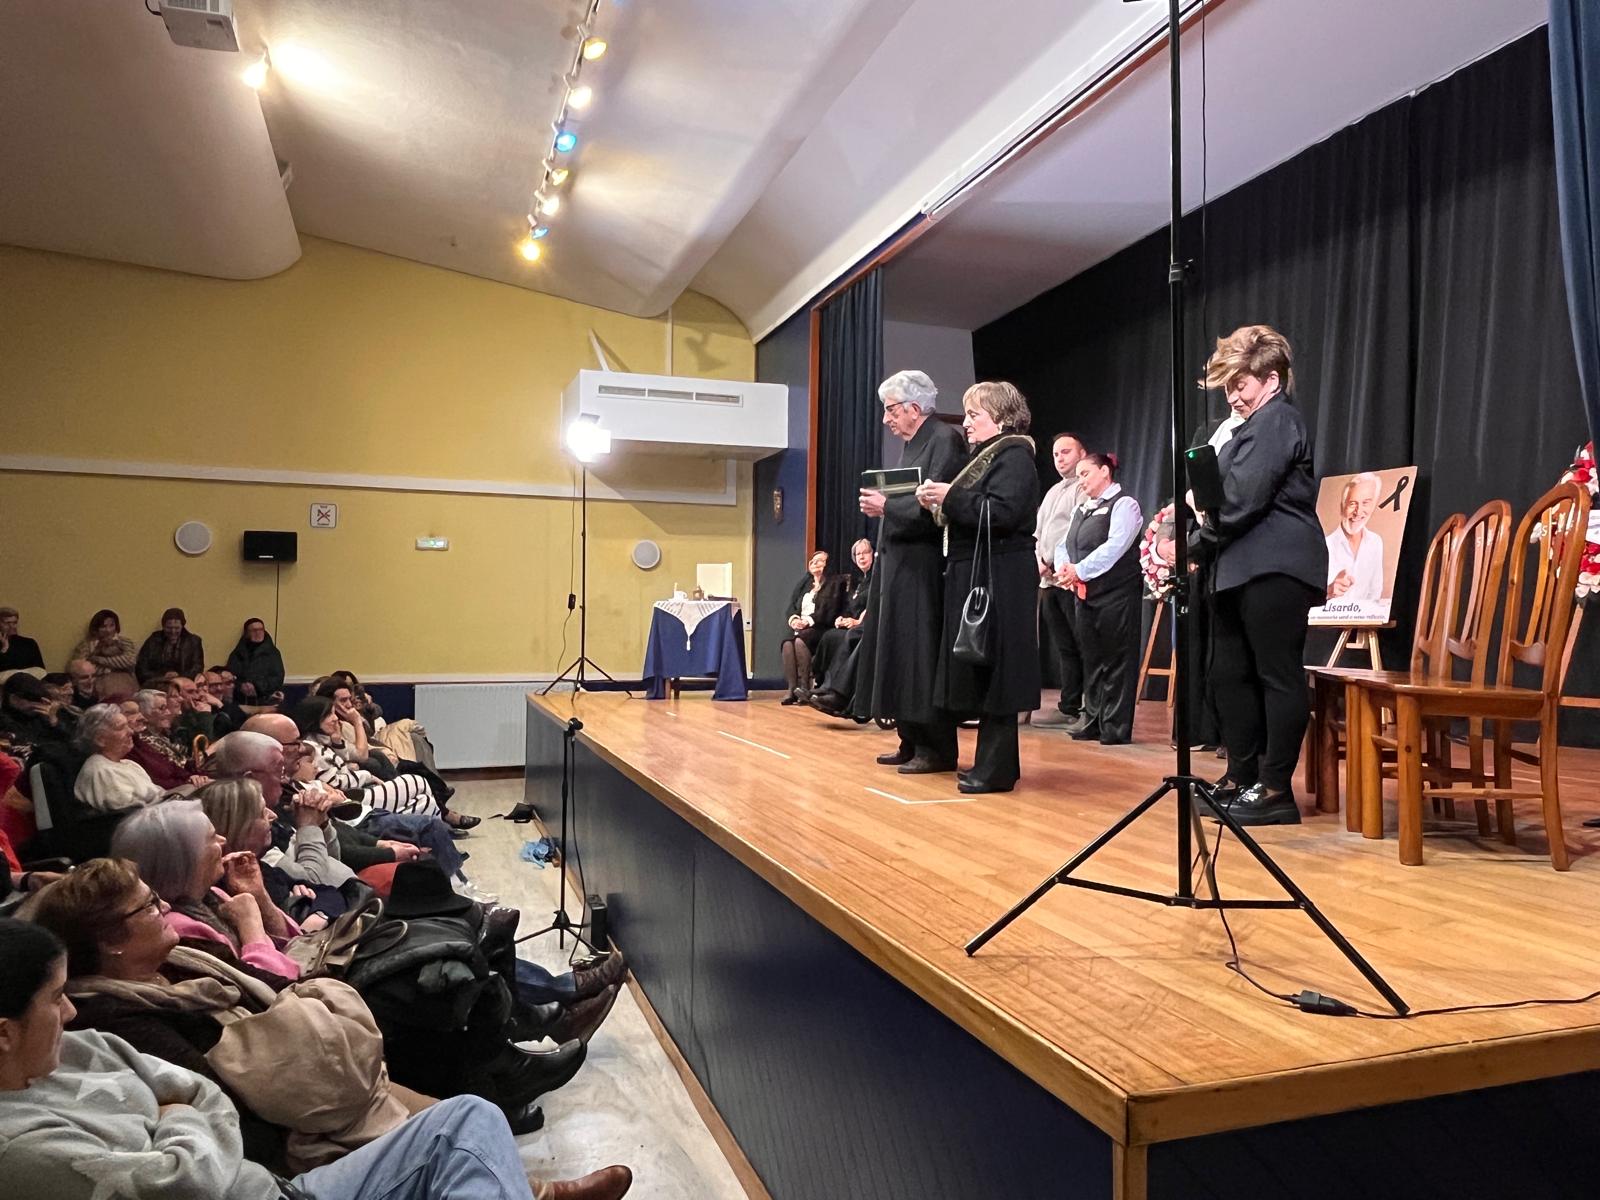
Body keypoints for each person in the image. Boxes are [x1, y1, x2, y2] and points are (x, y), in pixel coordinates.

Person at [0, 919, 635, 1200]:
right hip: (267, 1164)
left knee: (470, 1116)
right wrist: (180, 1117)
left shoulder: (82, 1047)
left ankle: (529, 1035)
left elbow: (196, 1099)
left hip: (275, 1184)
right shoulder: (22, 1148)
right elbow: (187, 1175)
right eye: (55, 998)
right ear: (4, 1034)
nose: (71, 1010)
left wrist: (178, 1121)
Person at [1190, 325, 1327, 825]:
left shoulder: (1278, 420)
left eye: (1240, 385)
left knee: (1275, 674)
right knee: (1230, 675)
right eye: (1227, 387)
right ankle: (1241, 777)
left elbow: (1240, 501)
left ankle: (1274, 790)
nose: (1232, 397)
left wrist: (1192, 543)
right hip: (1236, 568)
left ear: (1271, 380)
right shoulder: (1249, 427)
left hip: (1275, 565)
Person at [916, 383, 1042, 793]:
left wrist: (950, 497)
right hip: (983, 570)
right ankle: (993, 765)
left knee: (997, 670)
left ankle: (996, 770)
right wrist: (940, 502)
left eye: (975, 415)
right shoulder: (989, 456)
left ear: (1002, 419)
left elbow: (1003, 512)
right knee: (986, 669)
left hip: (1002, 574)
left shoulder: (1014, 456)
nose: (966, 423)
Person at [853, 369, 969, 771]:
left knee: (921, 653)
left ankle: (935, 748)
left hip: (923, 565)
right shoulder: (914, 444)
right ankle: (909, 736)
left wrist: (886, 506)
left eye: (891, 410)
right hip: (898, 561)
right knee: (898, 650)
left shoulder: (944, 440)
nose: (886, 418)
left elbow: (934, 507)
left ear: (914, 408)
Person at [110, 799, 303, 980]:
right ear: (185, 859)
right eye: (212, 838)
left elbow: (295, 943)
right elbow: (266, 985)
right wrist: (250, 923)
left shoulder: (213, 895)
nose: (223, 840)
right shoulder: (177, 929)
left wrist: (259, 896)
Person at [1054, 453, 1144, 745]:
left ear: (1105, 472)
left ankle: (1115, 726)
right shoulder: (1081, 509)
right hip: (1085, 595)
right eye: (1078, 476)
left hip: (1117, 594)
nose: (1080, 481)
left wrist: (1079, 569)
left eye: (1085, 474)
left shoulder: (1125, 505)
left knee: (1117, 659)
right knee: (1091, 658)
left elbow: (1115, 547)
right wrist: (1064, 568)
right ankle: (1092, 719)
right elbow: (1063, 544)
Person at [1031, 433, 1088, 728]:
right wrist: (1037, 560)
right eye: (1055, 454)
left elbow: (1075, 532)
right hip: (1047, 582)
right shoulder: (1053, 491)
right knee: (1064, 645)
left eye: (1066, 452)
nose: (1059, 458)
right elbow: (1039, 531)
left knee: (1080, 642)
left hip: (1067, 578)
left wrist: (1051, 561)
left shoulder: (1083, 488)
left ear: (1082, 454)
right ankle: (1069, 705)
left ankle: (1086, 706)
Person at [808, 539, 874, 707]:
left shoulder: (877, 579)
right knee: (830, 636)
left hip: (867, 626)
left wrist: (858, 621)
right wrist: (842, 618)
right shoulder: (859, 582)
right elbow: (850, 607)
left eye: (865, 553)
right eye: (858, 554)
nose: (861, 557)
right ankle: (823, 684)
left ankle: (837, 691)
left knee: (845, 637)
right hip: (854, 624)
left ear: (873, 554)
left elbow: (873, 606)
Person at [778, 550, 844, 704]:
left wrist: (808, 620)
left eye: (819, 560)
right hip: (801, 626)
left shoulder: (835, 583)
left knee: (801, 640)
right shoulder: (804, 584)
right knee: (787, 642)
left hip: (821, 626)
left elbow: (830, 609)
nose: (814, 563)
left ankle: (805, 687)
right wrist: (794, 619)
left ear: (827, 564)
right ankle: (792, 689)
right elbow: (792, 605)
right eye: (812, 561)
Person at [74, 704, 166, 814]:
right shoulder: (100, 770)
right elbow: (129, 813)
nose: (131, 731)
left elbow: (159, 794)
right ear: (100, 740)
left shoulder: (130, 764)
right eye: (121, 728)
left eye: (128, 725)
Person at [1325, 472, 1385, 602]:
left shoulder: (1375, 542)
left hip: (1366, 615)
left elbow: (1375, 592)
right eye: (1352, 503)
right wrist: (1328, 591)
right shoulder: (1326, 545)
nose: (1358, 512)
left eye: (1365, 503)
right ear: (1342, 507)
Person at [69, 610, 139, 699]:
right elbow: (78, 669)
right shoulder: (86, 645)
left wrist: (98, 659)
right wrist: (114, 666)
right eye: (103, 627)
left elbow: (130, 661)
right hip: (98, 684)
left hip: (125, 681)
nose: (108, 630)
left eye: (112, 625)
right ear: (96, 628)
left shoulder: (125, 642)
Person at [136, 609, 205, 686]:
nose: (173, 631)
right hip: (157, 684)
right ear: (163, 626)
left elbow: (197, 669)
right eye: (169, 628)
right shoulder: (153, 640)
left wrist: (179, 676)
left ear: (182, 626)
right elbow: (141, 668)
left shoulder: (193, 642)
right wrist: (162, 676)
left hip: (184, 685)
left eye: (177, 628)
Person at [225, 618, 285, 706]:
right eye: (254, 630)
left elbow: (277, 678)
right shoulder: (238, 653)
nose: (258, 633)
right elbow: (230, 676)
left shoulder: (273, 653)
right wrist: (240, 686)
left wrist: (256, 687)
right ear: (247, 633)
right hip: (241, 700)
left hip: (266, 700)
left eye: (261, 629)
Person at [0, 609, 44, 673]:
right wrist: (4, 648)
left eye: (15, 623)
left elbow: (40, 669)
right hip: (8, 678)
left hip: (31, 677)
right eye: (7, 623)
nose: (12, 626)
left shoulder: (29, 643)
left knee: (56, 676)